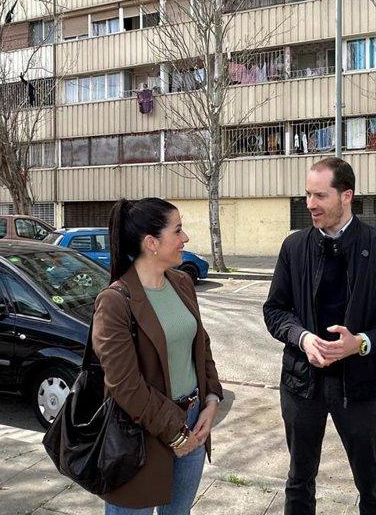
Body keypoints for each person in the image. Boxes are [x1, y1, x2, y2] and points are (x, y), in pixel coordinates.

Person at [263, 157, 376, 515]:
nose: (310, 204)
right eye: (307, 195)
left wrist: (361, 343)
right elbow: (274, 311)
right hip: (302, 385)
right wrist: (302, 338)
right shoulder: (294, 247)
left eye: (320, 195)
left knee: (372, 487)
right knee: (298, 482)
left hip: (361, 389)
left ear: (346, 195)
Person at [92, 198, 223, 514]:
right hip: (139, 436)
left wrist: (211, 400)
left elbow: (200, 346)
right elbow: (125, 386)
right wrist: (177, 436)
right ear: (151, 243)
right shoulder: (114, 302)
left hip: (193, 423)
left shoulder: (181, 282)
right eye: (178, 230)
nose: (186, 239)